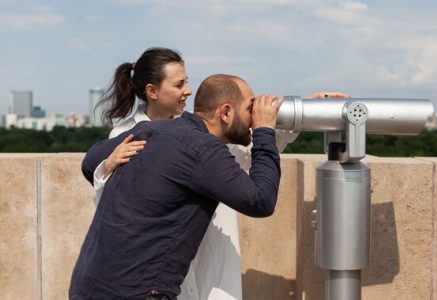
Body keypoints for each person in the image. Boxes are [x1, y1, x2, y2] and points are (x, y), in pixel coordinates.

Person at [90, 47, 349, 300]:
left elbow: (247, 149)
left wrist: (307, 109)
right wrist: (105, 166)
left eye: (187, 82)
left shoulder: (200, 130)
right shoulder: (127, 136)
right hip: (152, 267)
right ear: (152, 91)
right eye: (179, 85)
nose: (187, 91)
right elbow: (113, 204)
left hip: (207, 254)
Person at [70, 74, 283, 299]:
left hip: (88, 286)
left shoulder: (151, 130)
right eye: (251, 107)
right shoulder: (204, 149)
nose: (253, 117)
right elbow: (261, 201)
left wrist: (110, 161)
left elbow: (90, 162)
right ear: (226, 112)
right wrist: (264, 132)